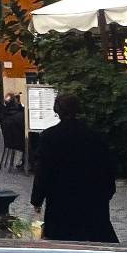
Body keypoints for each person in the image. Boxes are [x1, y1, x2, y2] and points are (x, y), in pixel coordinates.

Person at [29, 94, 118, 243]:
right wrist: (106, 193)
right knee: (95, 242)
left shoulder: (49, 137)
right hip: (93, 202)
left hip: (61, 203)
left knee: (63, 245)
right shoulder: (95, 136)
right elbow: (108, 168)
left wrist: (37, 200)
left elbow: (43, 172)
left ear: (57, 110)